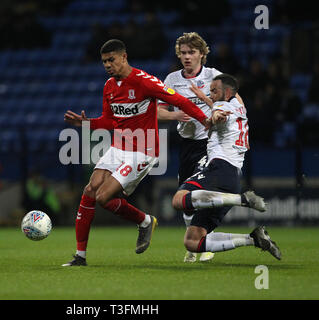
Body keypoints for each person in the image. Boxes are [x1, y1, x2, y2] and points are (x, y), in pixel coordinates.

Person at [62, 39, 214, 266]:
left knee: (104, 197)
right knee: (90, 189)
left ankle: (144, 221)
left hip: (143, 150)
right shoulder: (109, 86)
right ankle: (80, 256)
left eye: (111, 60)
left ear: (124, 57)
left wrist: (205, 120)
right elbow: (109, 121)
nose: (107, 65)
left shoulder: (145, 82)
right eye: (104, 61)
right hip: (118, 147)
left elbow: (179, 100)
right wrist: (86, 123)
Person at [171, 73, 282, 260]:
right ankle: (253, 239)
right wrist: (206, 99)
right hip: (231, 177)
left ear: (227, 91)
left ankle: (242, 200)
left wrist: (215, 117)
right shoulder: (240, 107)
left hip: (219, 169)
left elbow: (218, 112)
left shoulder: (223, 107)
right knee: (193, 241)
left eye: (214, 91)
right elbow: (219, 105)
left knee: (178, 200)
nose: (211, 94)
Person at [157, 32, 245, 263]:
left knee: (194, 195)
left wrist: (219, 114)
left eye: (192, 52)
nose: (187, 57)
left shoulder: (214, 76)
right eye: (183, 53)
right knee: (185, 202)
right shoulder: (172, 80)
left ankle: (204, 241)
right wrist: (175, 113)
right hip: (186, 144)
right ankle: (195, 244)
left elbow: (236, 102)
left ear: (202, 54)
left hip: (210, 144)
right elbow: (156, 111)